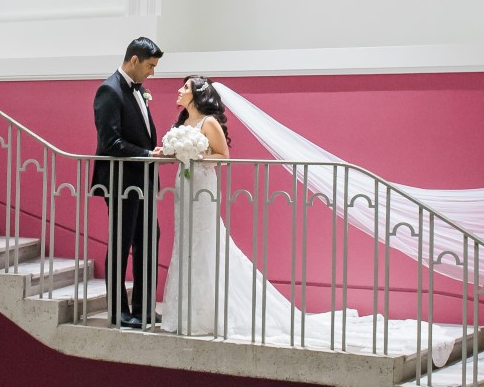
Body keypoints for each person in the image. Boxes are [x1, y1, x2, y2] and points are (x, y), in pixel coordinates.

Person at [159, 76, 456, 364]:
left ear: (197, 93)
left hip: (204, 186)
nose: (179, 91)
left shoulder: (208, 123)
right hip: (186, 187)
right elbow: (178, 152)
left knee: (206, 242)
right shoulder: (183, 123)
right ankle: (184, 312)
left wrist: (195, 155)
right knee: (186, 240)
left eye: (184, 87)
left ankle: (207, 313)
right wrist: (172, 151)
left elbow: (223, 155)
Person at [92, 37, 163, 329]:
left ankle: (144, 308)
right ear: (134, 60)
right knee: (121, 244)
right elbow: (111, 142)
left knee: (148, 239)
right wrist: (148, 154)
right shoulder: (109, 91)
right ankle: (117, 311)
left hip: (142, 181)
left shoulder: (140, 91)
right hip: (120, 181)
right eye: (150, 66)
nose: (152, 73)